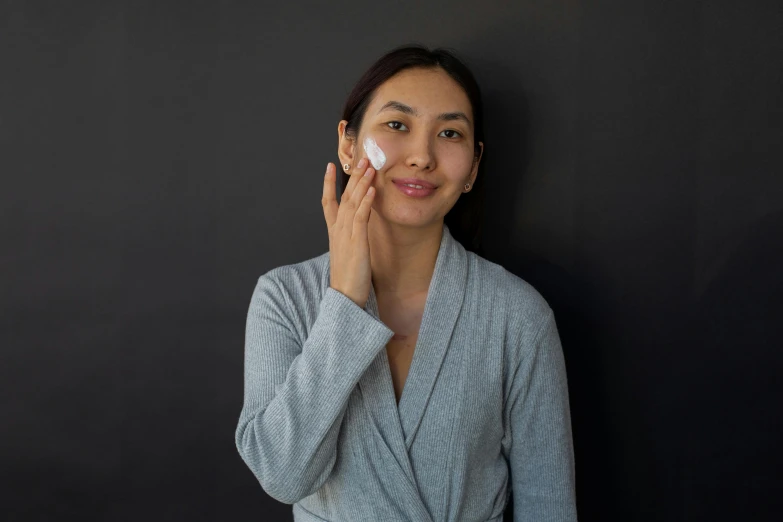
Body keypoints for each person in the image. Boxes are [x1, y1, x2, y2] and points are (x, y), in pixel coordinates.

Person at [235, 44, 577, 521]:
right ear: (348, 145)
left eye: (450, 133)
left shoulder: (517, 315)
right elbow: (283, 475)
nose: (421, 156)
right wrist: (345, 303)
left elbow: (550, 507)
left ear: (474, 166)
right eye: (397, 125)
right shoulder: (284, 298)